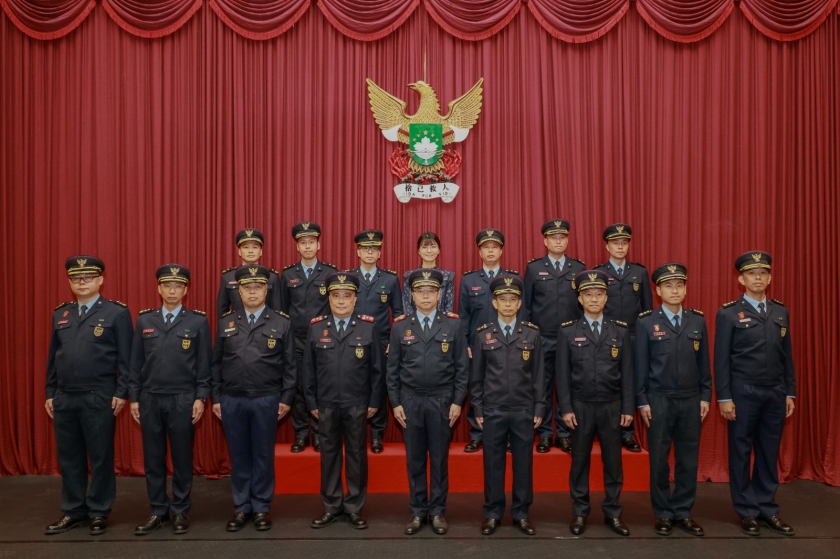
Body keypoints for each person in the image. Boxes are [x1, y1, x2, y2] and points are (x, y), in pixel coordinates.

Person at [45, 256, 133, 536]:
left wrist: (122, 392)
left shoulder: (117, 313)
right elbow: (53, 357)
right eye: (76, 278)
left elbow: (127, 359)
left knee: (100, 456)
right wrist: (50, 392)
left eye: (88, 278)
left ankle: (99, 511)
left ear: (100, 280)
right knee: (69, 457)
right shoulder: (61, 314)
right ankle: (73, 510)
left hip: (99, 395)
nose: (81, 282)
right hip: (65, 396)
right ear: (70, 282)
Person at [714, 251, 796, 537]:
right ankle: (747, 510)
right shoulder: (728, 313)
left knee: (769, 451)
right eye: (751, 273)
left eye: (762, 273)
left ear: (769, 278)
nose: (758, 277)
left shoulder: (780, 312)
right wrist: (724, 397)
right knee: (741, 451)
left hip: (775, 391)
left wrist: (790, 392)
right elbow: (721, 360)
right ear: (741, 279)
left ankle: (767, 507)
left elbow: (786, 356)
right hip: (743, 390)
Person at [211, 266, 297, 532]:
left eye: (257, 287)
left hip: (266, 399)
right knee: (239, 456)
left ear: (266, 290)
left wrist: (286, 398)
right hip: (232, 399)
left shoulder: (281, 322)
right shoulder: (226, 322)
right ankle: (241, 507)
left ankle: (260, 507)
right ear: (239, 291)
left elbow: (290, 366)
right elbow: (216, 363)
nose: (252, 292)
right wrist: (216, 398)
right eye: (246, 288)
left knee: (262, 455)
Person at [128, 264, 212, 536]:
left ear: (186, 290)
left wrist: (201, 397)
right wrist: (134, 398)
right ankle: (157, 510)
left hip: (183, 398)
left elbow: (204, 365)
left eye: (178, 286)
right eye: (167, 285)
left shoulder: (197, 321)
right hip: (150, 399)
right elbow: (135, 363)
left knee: (182, 457)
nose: (172, 290)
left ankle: (180, 509)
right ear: (159, 288)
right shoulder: (145, 320)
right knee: (153, 458)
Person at [387, 269, 468, 536]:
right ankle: (417, 511)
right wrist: (395, 403)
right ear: (412, 295)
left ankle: (437, 511)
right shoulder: (400, 326)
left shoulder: (453, 325)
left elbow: (462, 368)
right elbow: (392, 369)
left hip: (442, 401)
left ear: (438, 294)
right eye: (420, 291)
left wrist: (458, 401)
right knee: (415, 460)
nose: (425, 296)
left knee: (439, 460)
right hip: (410, 402)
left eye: (431, 291)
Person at [635, 263, 711, 537]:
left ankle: (683, 511)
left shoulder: (697, 321)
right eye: (668, 286)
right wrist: (642, 401)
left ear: (685, 289)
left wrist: (706, 396)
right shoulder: (646, 322)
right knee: (659, 459)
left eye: (679, 285)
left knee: (688, 460)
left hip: (691, 400)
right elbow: (640, 366)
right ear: (658, 291)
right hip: (659, 399)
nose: (675, 290)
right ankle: (664, 513)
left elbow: (704, 363)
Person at [304, 273, 383, 530]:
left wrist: (374, 401)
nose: (341, 301)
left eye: (346, 296)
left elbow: (377, 370)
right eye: (336, 296)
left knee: (357, 456)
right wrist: (311, 402)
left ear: (355, 299)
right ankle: (331, 506)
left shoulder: (368, 327)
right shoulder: (316, 328)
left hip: (357, 402)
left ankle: (354, 507)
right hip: (326, 403)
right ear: (328, 298)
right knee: (329, 456)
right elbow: (308, 370)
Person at [557, 270, 634, 537]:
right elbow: (562, 374)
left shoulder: (620, 330)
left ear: (606, 298)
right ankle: (580, 511)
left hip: (612, 405)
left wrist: (628, 407)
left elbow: (628, 372)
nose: (593, 299)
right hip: (581, 406)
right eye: (588, 294)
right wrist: (566, 408)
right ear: (579, 298)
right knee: (579, 461)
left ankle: (613, 512)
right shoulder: (568, 331)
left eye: (599, 294)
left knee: (613, 462)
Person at [471, 275, 544, 536]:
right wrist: (478, 408)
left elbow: (539, 375)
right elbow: (476, 377)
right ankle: (492, 513)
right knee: (493, 464)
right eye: (503, 300)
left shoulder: (532, 334)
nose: (508, 304)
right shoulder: (483, 335)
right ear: (494, 302)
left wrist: (539, 408)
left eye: (513, 300)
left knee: (523, 464)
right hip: (493, 409)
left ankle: (521, 513)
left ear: (520, 303)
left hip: (523, 409)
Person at [522, 219, 585, 454]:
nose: (558, 241)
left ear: (567, 240)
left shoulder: (578, 268)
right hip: (543, 336)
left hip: (571, 337)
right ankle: (546, 433)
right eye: (553, 238)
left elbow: (584, 305)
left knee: (569, 384)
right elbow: (526, 305)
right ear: (545, 241)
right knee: (543, 385)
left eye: (562, 237)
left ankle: (565, 433)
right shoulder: (534, 268)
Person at [460, 229, 521, 453]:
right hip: (477, 346)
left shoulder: (513, 279)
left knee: (507, 386)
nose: (491, 251)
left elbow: (521, 314)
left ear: (501, 250)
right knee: (476, 385)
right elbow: (464, 316)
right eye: (486, 247)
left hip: (508, 343)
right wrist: (465, 344)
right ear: (480, 252)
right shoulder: (469, 280)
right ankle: (477, 434)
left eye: (495, 247)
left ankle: (507, 436)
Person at [279, 221, 338, 453]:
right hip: (295, 338)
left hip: (323, 338)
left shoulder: (330, 273)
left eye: (311, 242)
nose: (307, 246)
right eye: (303, 243)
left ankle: (320, 433)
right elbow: (283, 310)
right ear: (297, 247)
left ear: (318, 245)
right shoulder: (288, 274)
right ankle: (301, 434)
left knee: (321, 385)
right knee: (298, 386)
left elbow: (335, 307)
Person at [595, 223, 652, 452]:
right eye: (615, 243)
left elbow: (647, 310)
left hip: (634, 336)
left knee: (631, 382)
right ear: (607, 246)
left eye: (624, 243)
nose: (620, 247)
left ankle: (627, 433)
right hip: (606, 337)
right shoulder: (598, 274)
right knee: (607, 382)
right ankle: (607, 431)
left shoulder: (640, 273)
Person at [348, 229, 403, 453]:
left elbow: (398, 313)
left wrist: (392, 341)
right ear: (358, 252)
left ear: (380, 253)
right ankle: (357, 432)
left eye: (374, 249)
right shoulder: (349, 278)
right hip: (351, 341)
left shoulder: (390, 279)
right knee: (356, 385)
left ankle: (378, 434)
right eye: (365, 249)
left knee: (379, 385)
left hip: (380, 342)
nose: (370, 252)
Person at [217, 228, 281, 318]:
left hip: (266, 325)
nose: (250, 251)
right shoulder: (228, 277)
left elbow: (277, 310)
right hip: (236, 325)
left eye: (255, 247)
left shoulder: (272, 277)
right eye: (246, 247)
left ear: (261, 251)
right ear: (239, 251)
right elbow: (222, 310)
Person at [401, 232, 456, 314]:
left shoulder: (447, 276)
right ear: (419, 251)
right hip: (414, 321)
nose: (429, 251)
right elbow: (407, 305)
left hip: (441, 321)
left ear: (439, 250)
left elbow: (448, 307)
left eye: (433, 247)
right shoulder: (409, 276)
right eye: (425, 247)